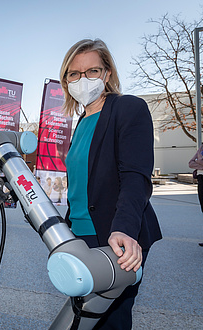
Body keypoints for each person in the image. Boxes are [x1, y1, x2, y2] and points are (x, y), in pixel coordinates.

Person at [60, 38, 162, 329]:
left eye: (92, 71)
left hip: (116, 235)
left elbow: (135, 176)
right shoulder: (81, 122)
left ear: (107, 74)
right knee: (85, 317)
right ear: (65, 80)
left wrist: (125, 229)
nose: (83, 79)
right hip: (80, 235)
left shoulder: (128, 108)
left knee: (110, 320)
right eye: (74, 74)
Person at [188, 143, 203, 246]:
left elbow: (199, 161)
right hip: (201, 179)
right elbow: (190, 163)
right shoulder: (202, 147)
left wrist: (199, 162)